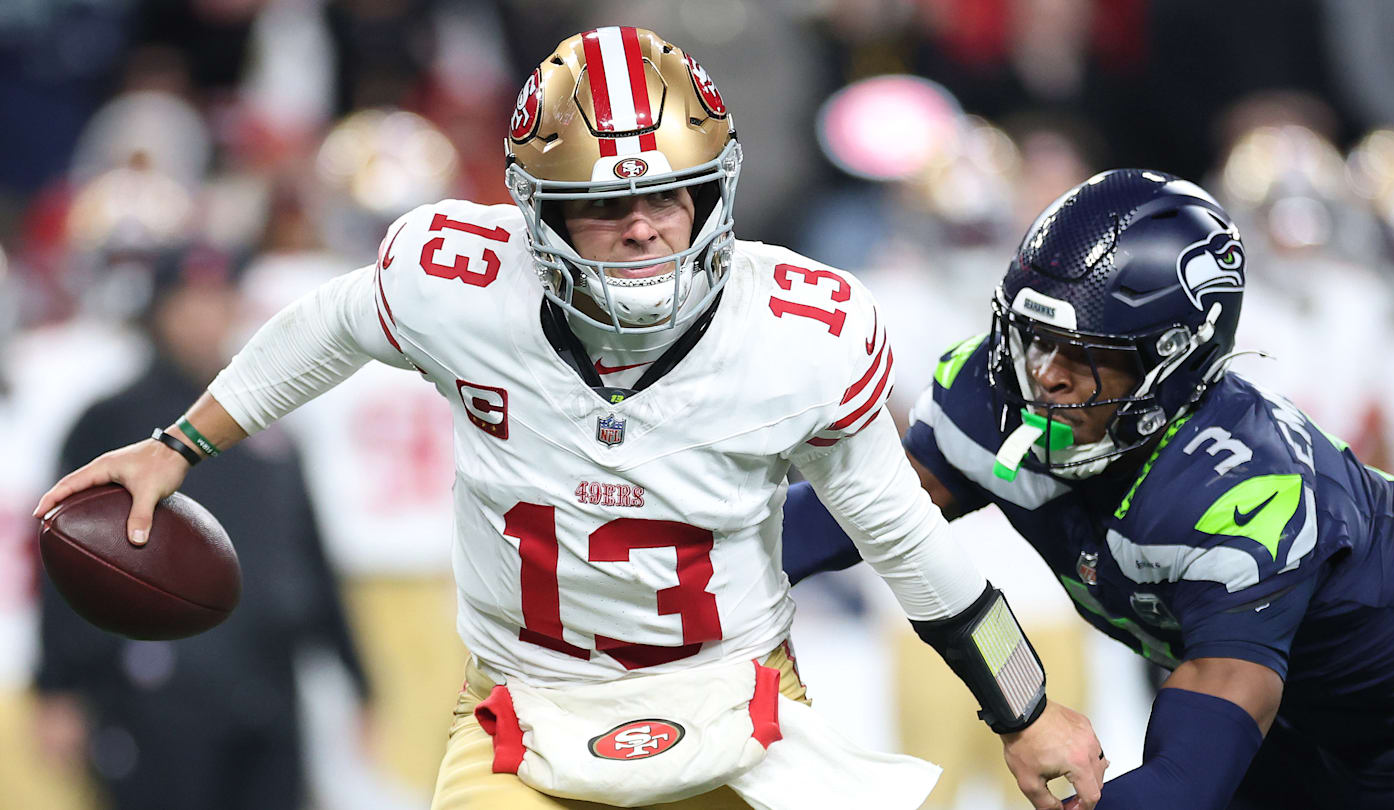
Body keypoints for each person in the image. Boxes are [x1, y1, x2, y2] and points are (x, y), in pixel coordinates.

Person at [34, 27, 1106, 810]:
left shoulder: (795, 332)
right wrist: (181, 445)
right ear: (538, 213)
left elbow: (905, 537)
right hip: (525, 714)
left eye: (669, 195)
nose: (644, 229)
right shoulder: (462, 283)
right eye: (605, 205)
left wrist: (1025, 709)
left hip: (738, 704)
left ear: (715, 194)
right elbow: (333, 322)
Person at [780, 168, 1394, 809]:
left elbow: (1184, 780)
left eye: (1085, 354)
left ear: (1174, 362)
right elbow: (853, 517)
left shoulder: (1243, 494)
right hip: (1280, 725)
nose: (1046, 376)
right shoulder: (996, 396)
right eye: (1036, 338)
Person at [34, 246, 371, 810]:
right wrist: (58, 685)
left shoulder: (269, 422)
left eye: (218, 299)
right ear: (158, 311)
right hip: (154, 687)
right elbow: (65, 557)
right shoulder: (111, 420)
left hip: (268, 680)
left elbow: (307, 551)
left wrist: (357, 674)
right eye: (189, 302)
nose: (205, 317)